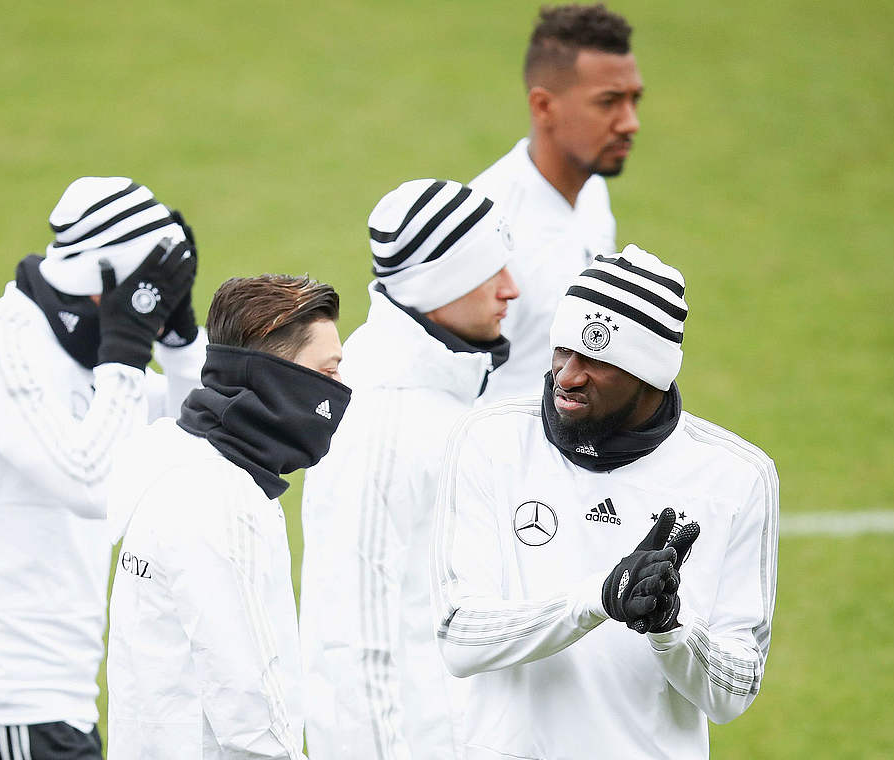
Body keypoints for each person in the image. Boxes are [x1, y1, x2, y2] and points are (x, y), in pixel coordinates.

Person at [432, 246, 779, 759]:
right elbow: (460, 636)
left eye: (596, 359)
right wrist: (596, 600)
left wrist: (671, 630)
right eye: (562, 351)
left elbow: (734, 692)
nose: (567, 376)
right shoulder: (491, 440)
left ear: (650, 375)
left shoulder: (736, 477)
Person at [0, 176, 205, 760]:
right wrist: (128, 350)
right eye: (146, 291)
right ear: (104, 281)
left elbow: (200, 451)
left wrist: (179, 342)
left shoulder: (98, 360)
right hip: (6, 706)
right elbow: (92, 484)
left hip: (62, 704)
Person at [299, 178, 518, 760]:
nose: (511, 289)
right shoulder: (383, 422)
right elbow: (346, 639)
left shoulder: (444, 396)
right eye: (488, 270)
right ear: (438, 284)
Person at [105, 274, 349, 760]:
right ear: (276, 378)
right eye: (328, 371)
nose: (341, 391)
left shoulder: (182, 461)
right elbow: (248, 703)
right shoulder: (219, 497)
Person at [468, 4, 640, 401]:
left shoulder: (591, 187)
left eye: (634, 100)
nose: (631, 122)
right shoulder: (488, 230)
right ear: (544, 106)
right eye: (608, 102)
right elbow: (460, 390)